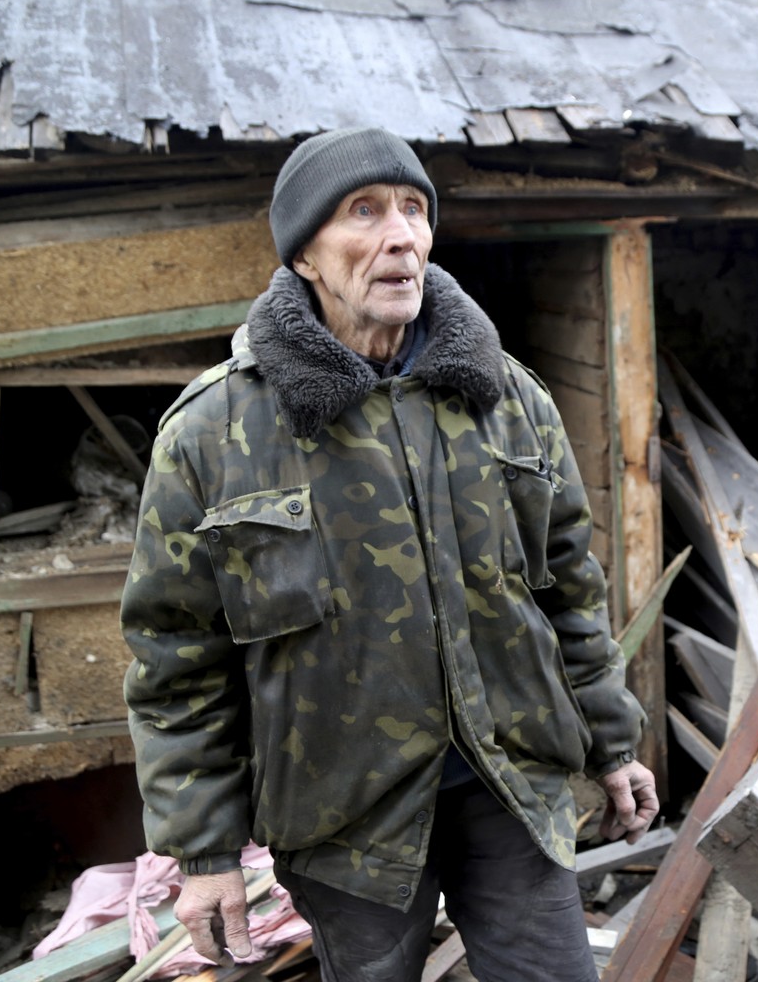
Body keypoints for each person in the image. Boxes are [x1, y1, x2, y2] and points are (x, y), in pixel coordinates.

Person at [122, 127, 657, 982]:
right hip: (343, 817)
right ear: (305, 255)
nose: (400, 234)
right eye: (363, 213)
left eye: (413, 209)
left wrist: (613, 743)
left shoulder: (507, 399)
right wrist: (204, 851)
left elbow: (569, 590)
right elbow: (175, 658)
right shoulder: (216, 432)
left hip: (510, 786)